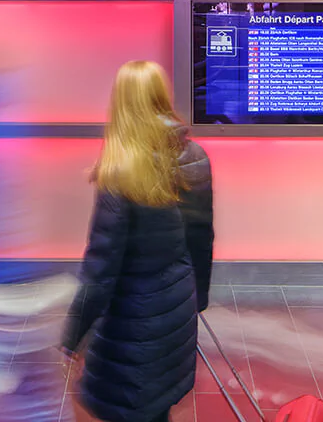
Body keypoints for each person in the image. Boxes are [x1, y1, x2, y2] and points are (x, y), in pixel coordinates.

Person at [62, 61, 214, 422]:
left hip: (131, 323)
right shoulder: (195, 156)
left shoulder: (121, 170)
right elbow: (201, 239)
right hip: (176, 307)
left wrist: (73, 334)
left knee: (123, 406)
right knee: (157, 406)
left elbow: (101, 268)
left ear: (121, 103)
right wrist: (198, 301)